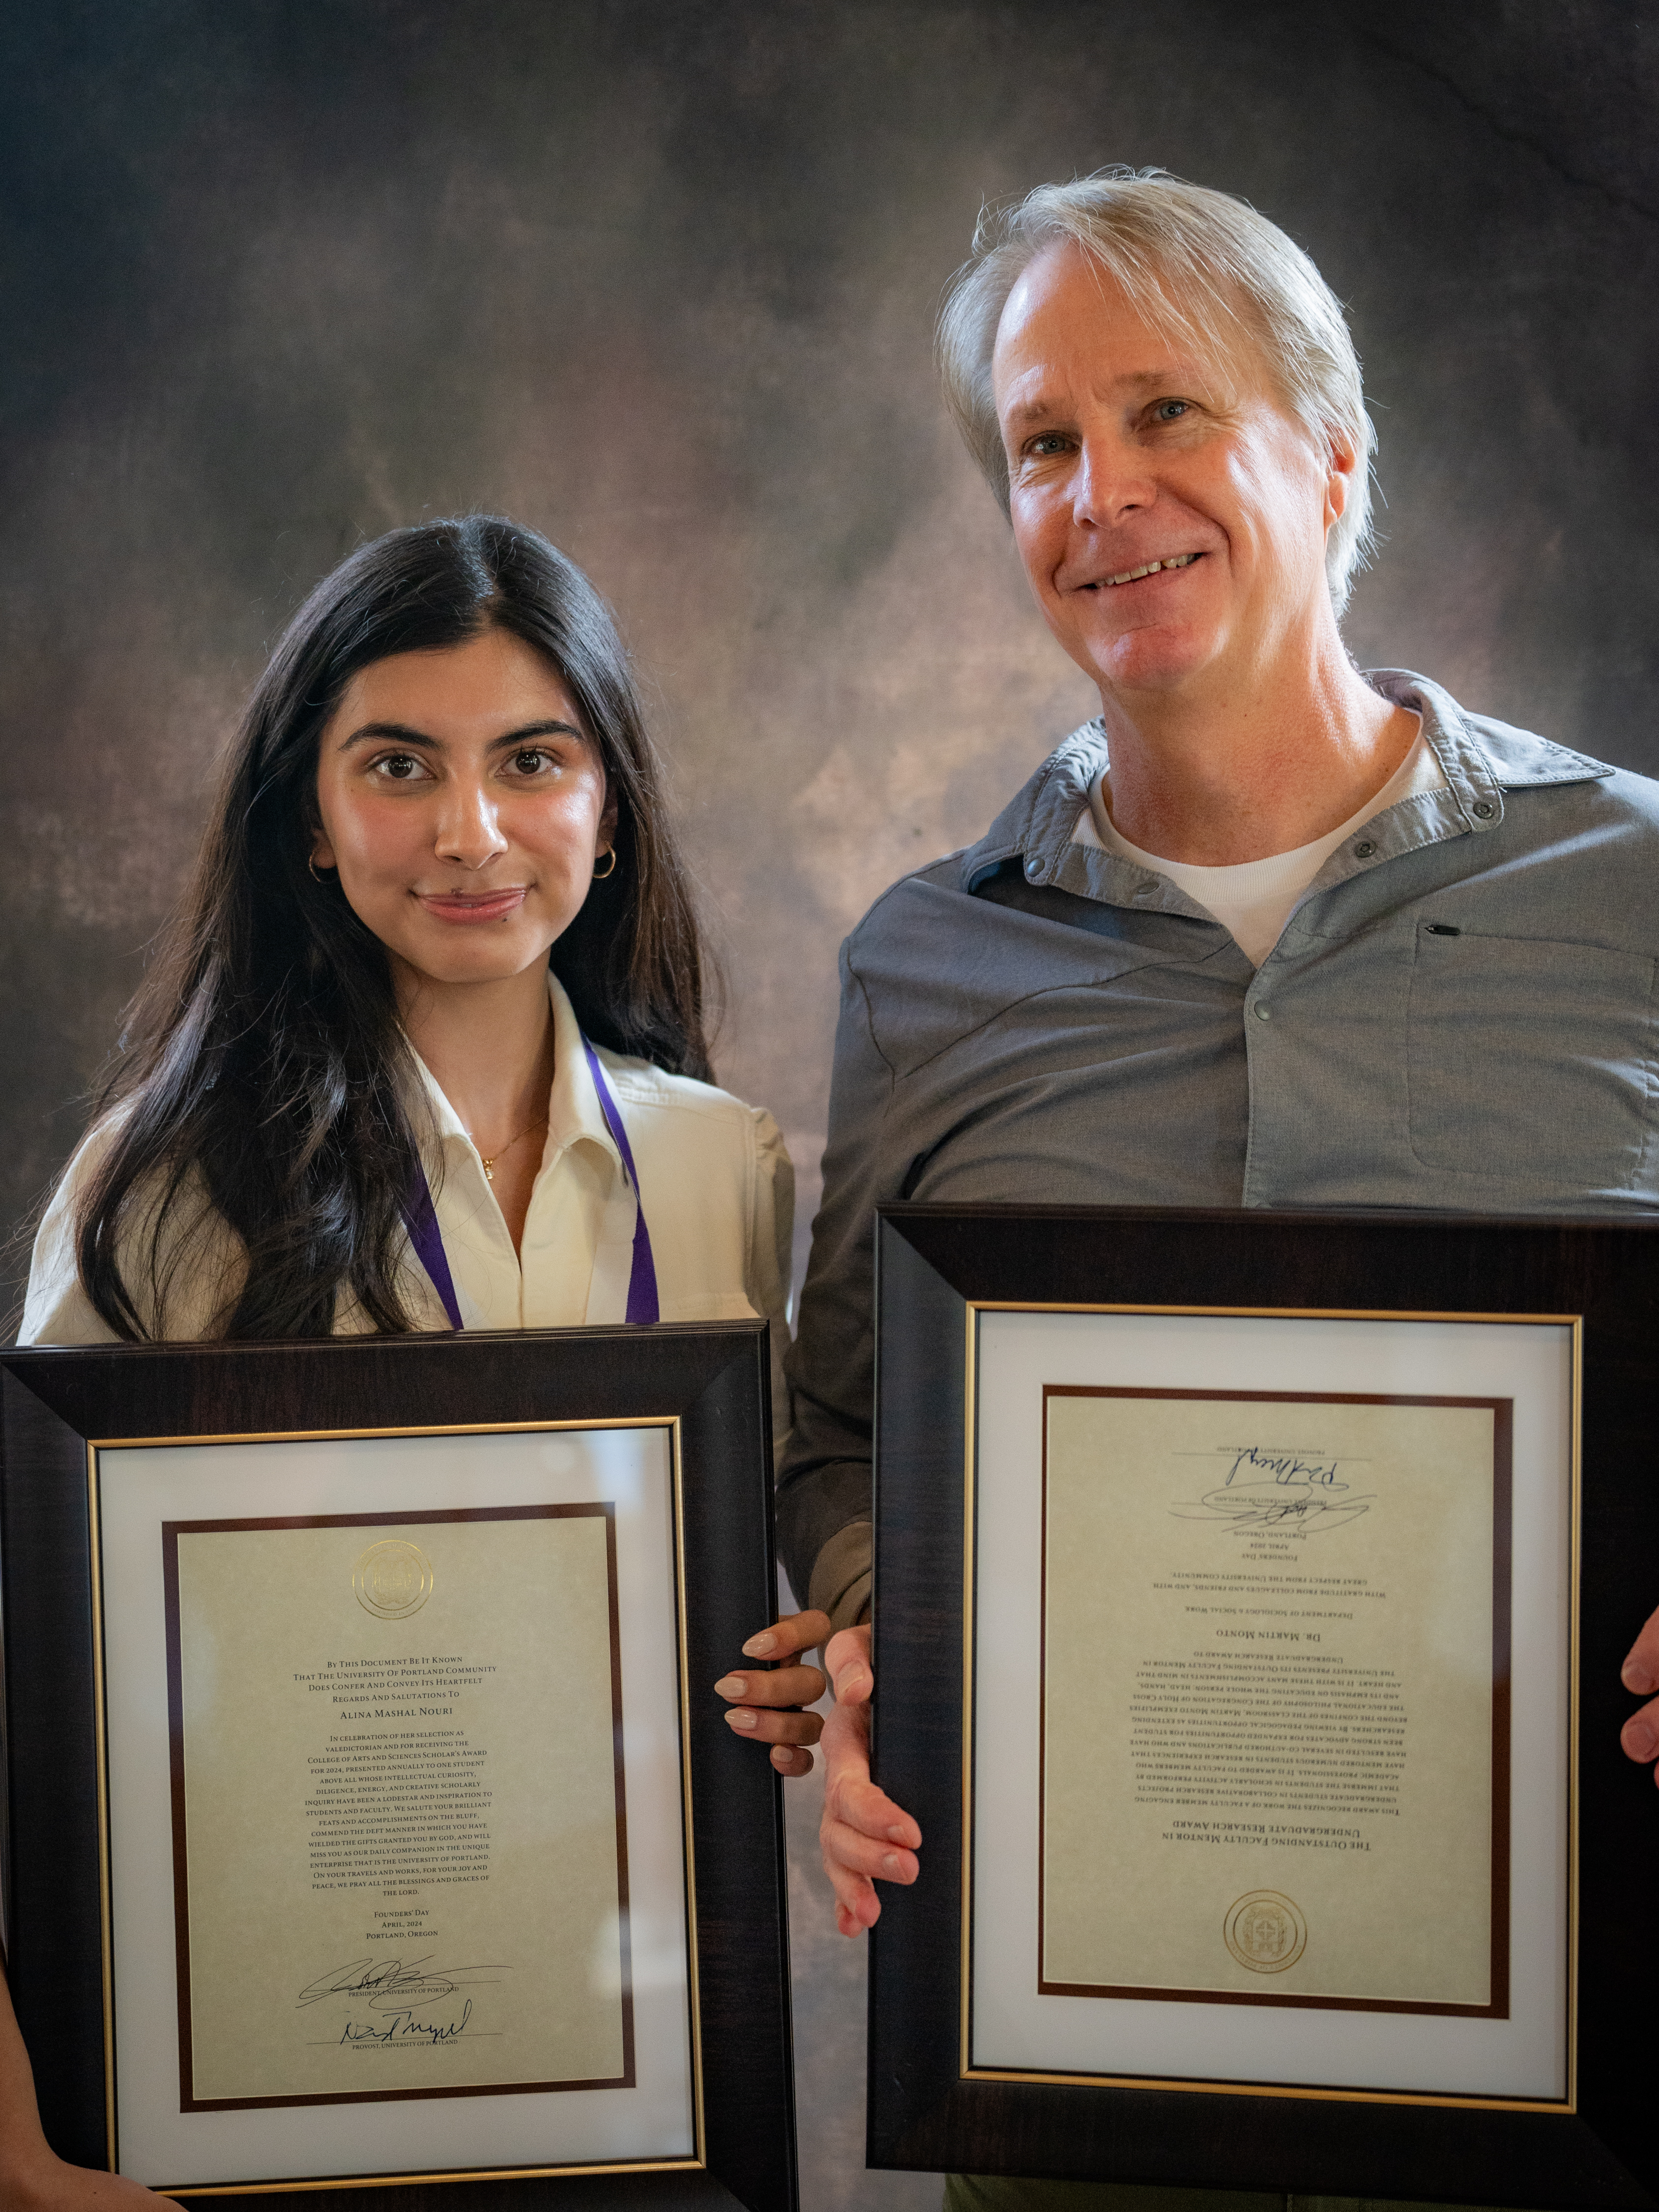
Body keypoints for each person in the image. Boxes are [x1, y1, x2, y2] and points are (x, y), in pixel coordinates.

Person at [720, 170, 1659, 2211]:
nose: (1098, 490)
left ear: (1330, 456)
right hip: (1090, 2082)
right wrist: (901, 1640)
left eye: (1167, 415)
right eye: (1041, 443)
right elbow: (846, 1438)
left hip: (1592, 2045)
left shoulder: (1637, 890)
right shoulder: (924, 964)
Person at [1, 515, 793, 2209]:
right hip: (267, 2072)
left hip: (635, 2071)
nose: (470, 831)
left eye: (531, 759)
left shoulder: (733, 1171)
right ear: (308, 812)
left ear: (610, 803)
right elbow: (22, 1690)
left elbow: (763, 1587)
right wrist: (12, 2142)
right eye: (397, 765)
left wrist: (787, 1666)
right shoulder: (159, 1190)